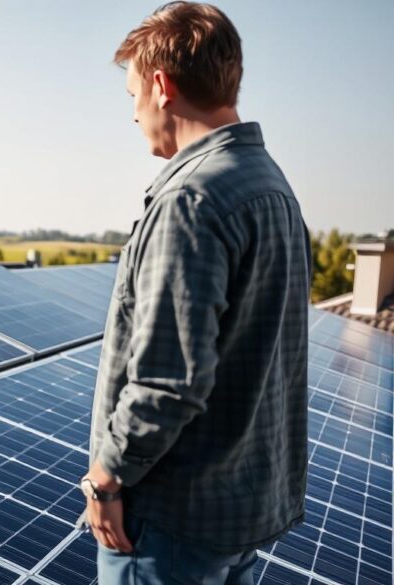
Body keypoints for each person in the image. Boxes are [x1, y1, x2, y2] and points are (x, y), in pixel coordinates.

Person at [79, 2, 311, 583]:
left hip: (171, 521)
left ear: (161, 86)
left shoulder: (191, 199)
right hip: (240, 510)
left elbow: (166, 381)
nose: (134, 116)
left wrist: (105, 478)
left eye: (132, 95)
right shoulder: (273, 186)